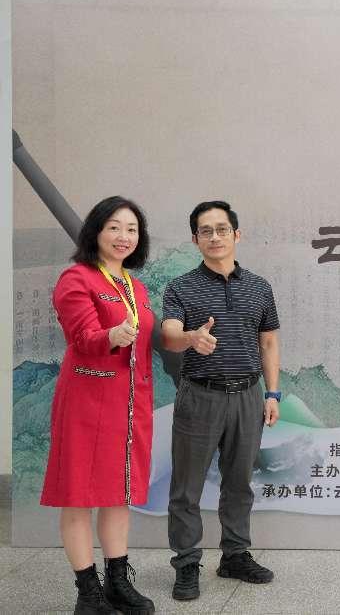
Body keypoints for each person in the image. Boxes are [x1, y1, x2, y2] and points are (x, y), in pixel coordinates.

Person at [161, 200, 281, 601]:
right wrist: (191, 338)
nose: (215, 237)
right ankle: (186, 563)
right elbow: (169, 335)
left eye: (222, 229)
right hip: (200, 395)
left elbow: (269, 342)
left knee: (239, 482)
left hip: (248, 395)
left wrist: (272, 393)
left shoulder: (259, 287)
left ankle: (235, 555)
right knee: (186, 487)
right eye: (206, 231)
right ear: (195, 239)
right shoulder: (180, 287)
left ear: (236, 234)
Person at [40, 196, 156, 614]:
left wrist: (187, 339)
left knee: (118, 494)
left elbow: (146, 341)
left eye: (132, 229)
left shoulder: (135, 286)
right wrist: (111, 336)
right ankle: (88, 594)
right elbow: (81, 337)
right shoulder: (77, 278)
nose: (124, 236)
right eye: (114, 227)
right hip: (87, 404)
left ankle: (117, 584)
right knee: (78, 497)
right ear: (96, 231)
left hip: (129, 405)